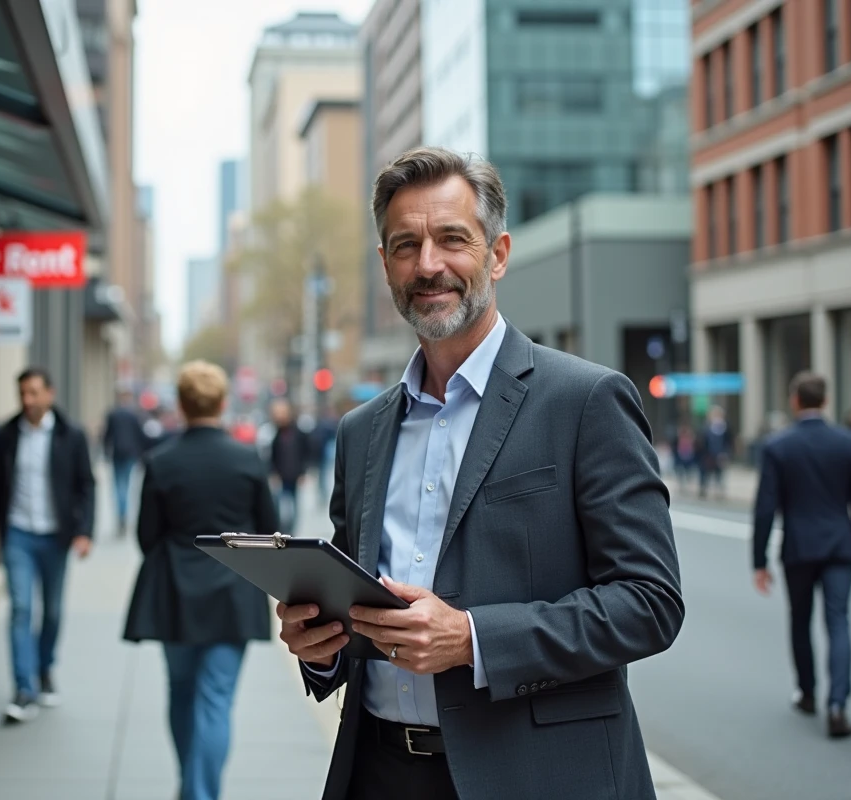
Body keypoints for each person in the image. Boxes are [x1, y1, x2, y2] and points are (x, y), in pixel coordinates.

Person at [277, 147, 684, 799]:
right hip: (379, 774)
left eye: (451, 239)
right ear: (385, 266)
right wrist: (321, 644)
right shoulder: (362, 432)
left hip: (539, 776)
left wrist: (471, 638)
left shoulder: (585, 401)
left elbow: (650, 603)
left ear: (496, 254)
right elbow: (360, 607)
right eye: (405, 245)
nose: (428, 264)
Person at [122, 361, 276, 800]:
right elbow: (270, 530)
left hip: (175, 592)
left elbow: (146, 536)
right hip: (233, 593)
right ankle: (200, 792)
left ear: (182, 405)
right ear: (223, 403)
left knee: (181, 691)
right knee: (216, 700)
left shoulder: (161, 461)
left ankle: (190, 786)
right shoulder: (247, 459)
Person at [752, 372, 851, 738]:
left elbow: (764, 509)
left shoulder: (778, 446)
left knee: (800, 620)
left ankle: (807, 693)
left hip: (799, 547)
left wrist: (759, 561)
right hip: (841, 546)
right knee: (839, 622)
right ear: (825, 401)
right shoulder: (849, 443)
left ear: (795, 401)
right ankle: (838, 704)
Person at [0, 367, 97, 724]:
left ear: (49, 394)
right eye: (22, 394)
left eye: (33, 393)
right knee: (21, 610)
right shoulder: (7, 435)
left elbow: (86, 486)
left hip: (55, 536)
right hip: (18, 535)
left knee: (54, 611)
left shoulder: (70, 435)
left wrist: (84, 531)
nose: (27, 401)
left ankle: (45, 668)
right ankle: (23, 689)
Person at [102, 390, 147, 536]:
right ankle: (123, 514)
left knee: (118, 486)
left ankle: (121, 515)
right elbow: (140, 435)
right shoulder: (133, 415)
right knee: (126, 486)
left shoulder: (113, 414)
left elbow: (107, 435)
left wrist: (105, 453)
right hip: (129, 454)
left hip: (118, 453)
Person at [268, 398, 309, 534]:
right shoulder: (276, 435)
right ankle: (285, 531)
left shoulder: (298, 433)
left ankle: (292, 532)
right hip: (281, 477)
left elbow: (304, 453)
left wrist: (303, 473)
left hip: (295, 475)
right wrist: (273, 473)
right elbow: (273, 457)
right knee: (283, 509)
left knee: (294, 507)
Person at [697, 405, 731, 498]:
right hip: (708, 454)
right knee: (705, 473)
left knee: (719, 474)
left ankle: (719, 491)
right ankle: (703, 488)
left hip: (720, 454)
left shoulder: (725, 427)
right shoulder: (706, 427)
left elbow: (728, 442)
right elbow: (702, 441)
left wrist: (725, 453)